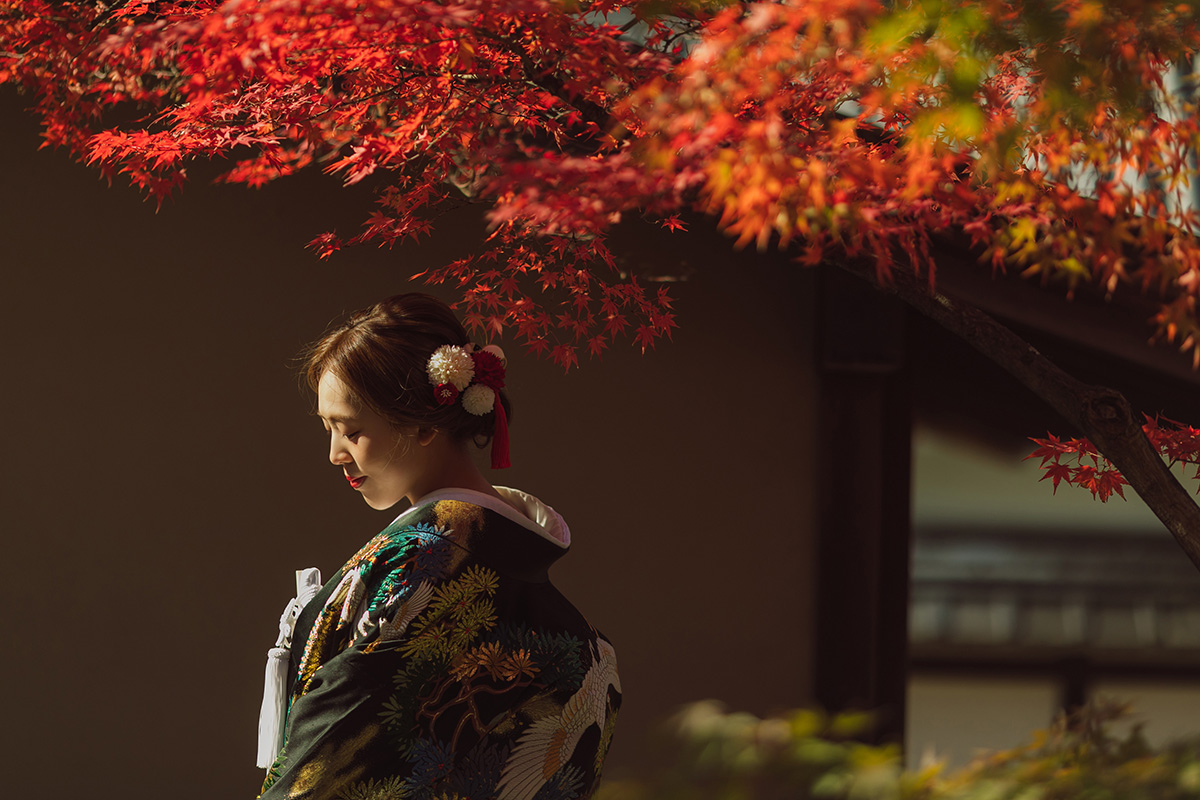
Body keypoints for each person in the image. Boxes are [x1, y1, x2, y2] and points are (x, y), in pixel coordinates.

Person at [254, 293, 621, 800]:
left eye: (352, 431)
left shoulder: (422, 566)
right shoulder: (581, 640)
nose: (335, 453)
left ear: (425, 424)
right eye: (328, 428)